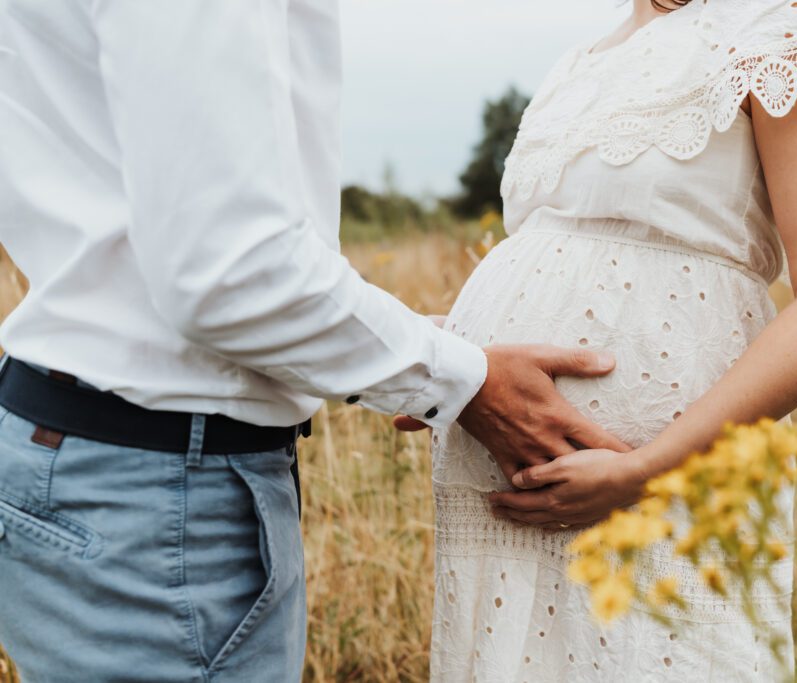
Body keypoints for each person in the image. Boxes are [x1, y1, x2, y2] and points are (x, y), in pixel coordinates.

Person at [0, 2, 629, 681]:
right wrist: (461, 382)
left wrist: (422, 340)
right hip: (154, 494)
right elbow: (226, 270)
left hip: (101, 457)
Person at [424, 0, 797, 679]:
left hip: (662, 489)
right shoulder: (585, 59)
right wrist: (455, 358)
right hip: (506, 502)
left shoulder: (790, 32)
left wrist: (648, 470)